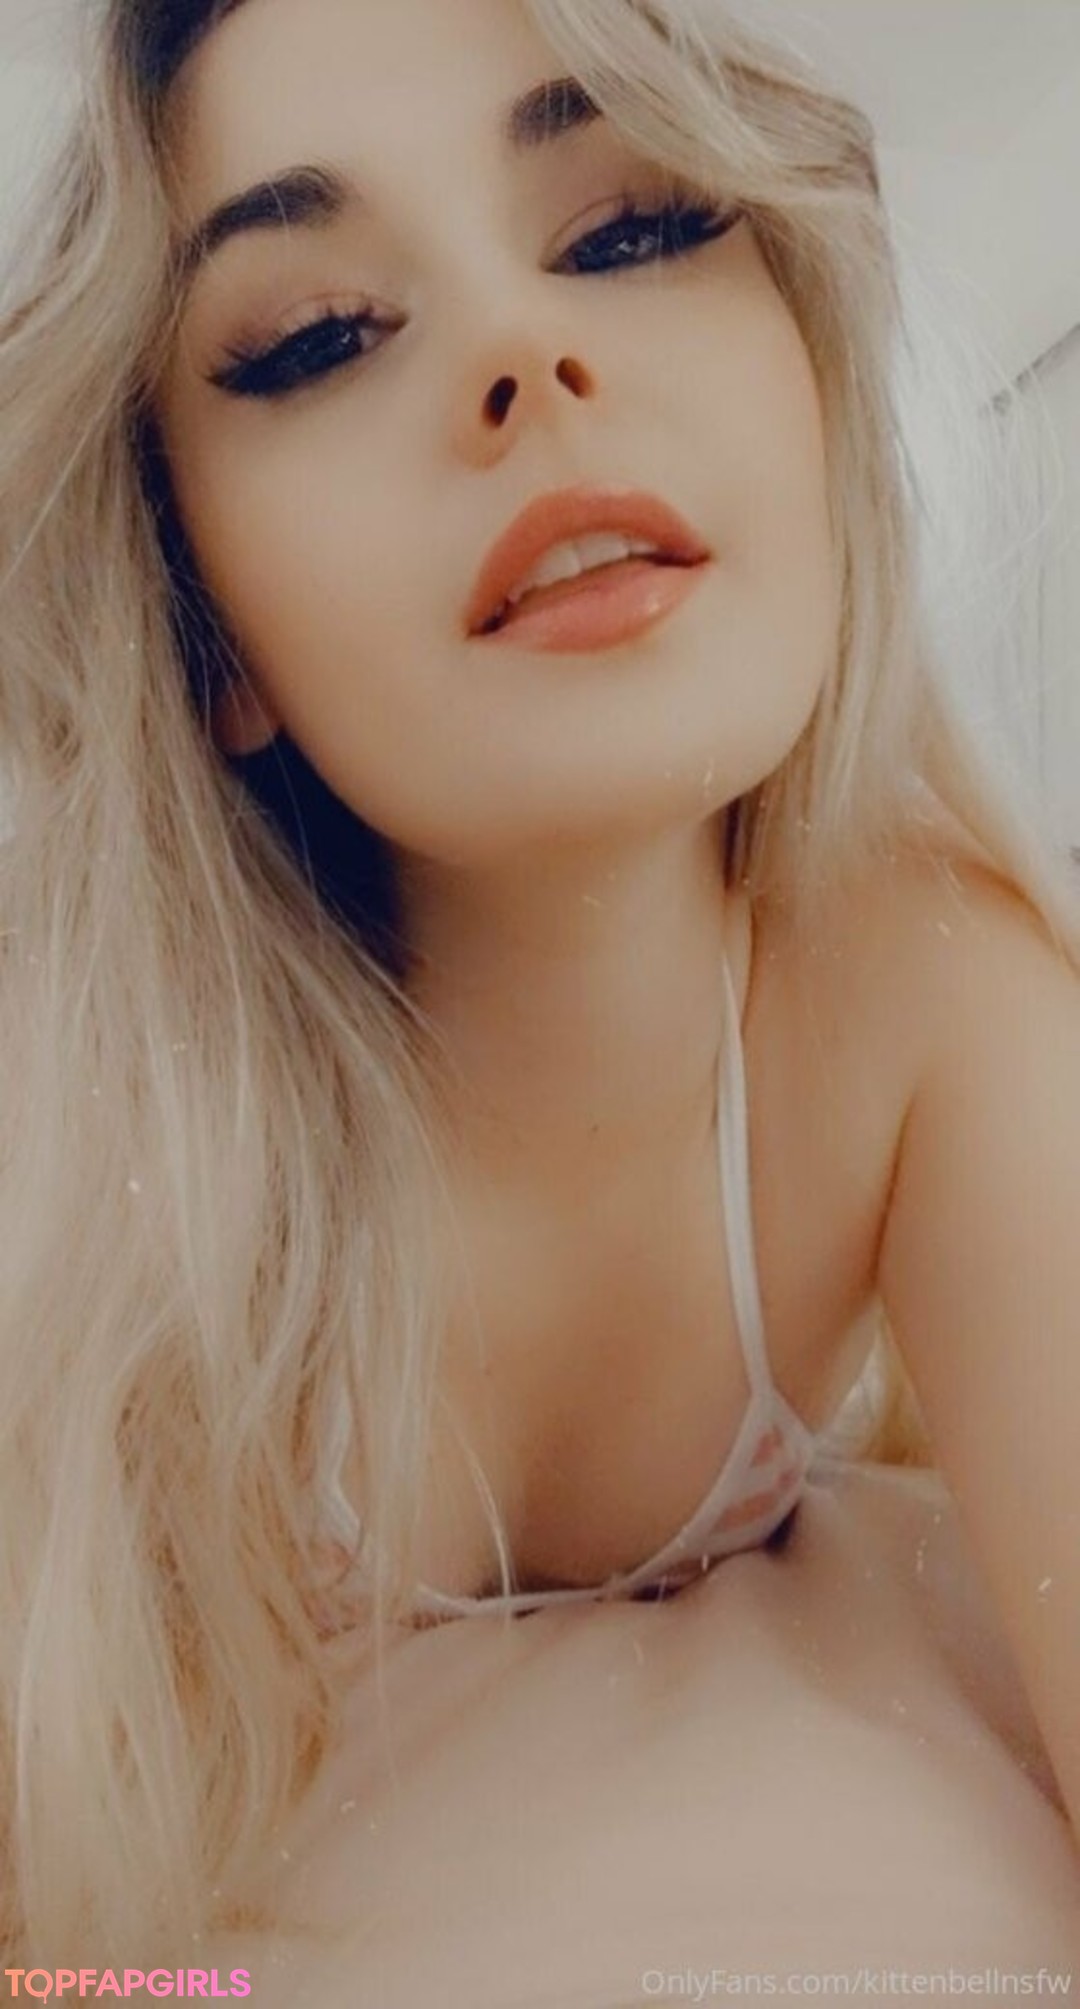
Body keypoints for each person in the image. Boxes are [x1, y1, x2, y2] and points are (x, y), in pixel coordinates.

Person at [0, 0, 1078, 1976]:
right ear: (205, 633)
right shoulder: (88, 1167)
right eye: (319, 338)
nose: (526, 356)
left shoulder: (924, 1003)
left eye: (630, 229)